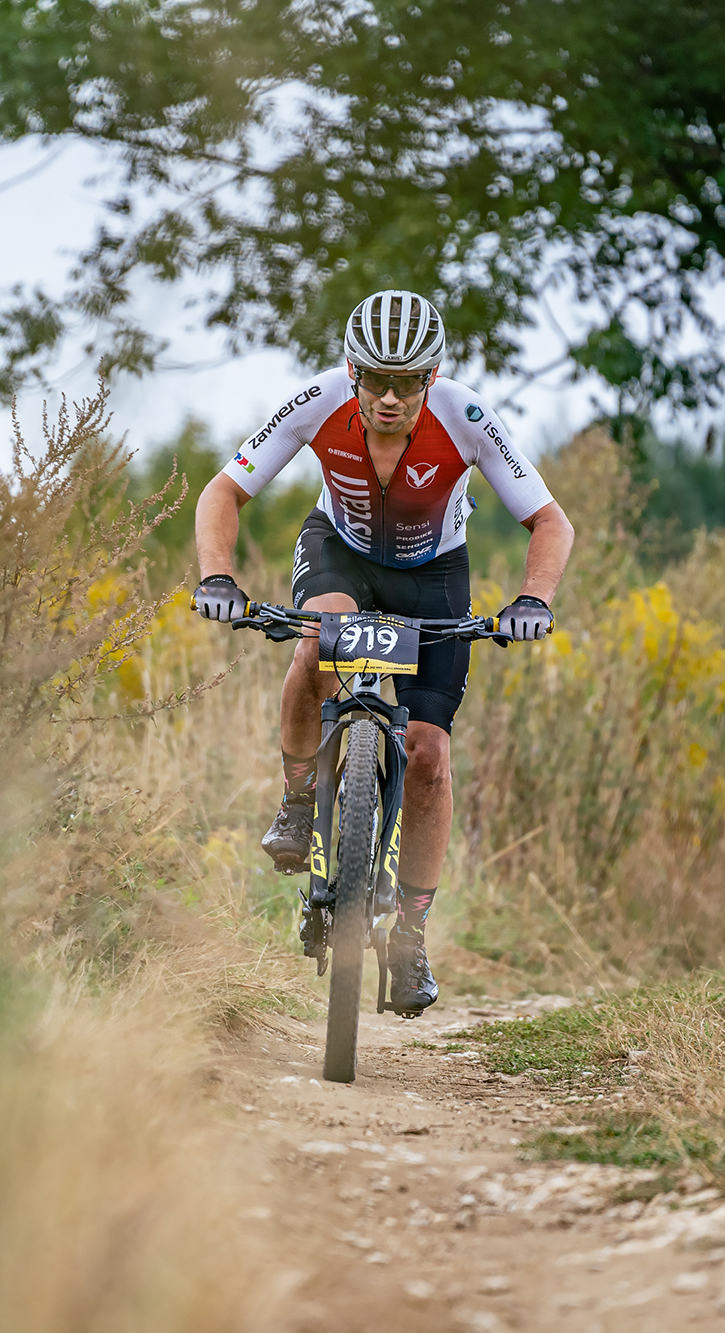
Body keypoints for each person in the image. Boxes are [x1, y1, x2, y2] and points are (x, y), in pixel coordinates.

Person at [191, 290, 575, 1014]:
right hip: (341, 554)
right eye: (375, 379)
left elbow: (551, 522)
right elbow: (223, 490)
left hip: (434, 576)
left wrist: (533, 600)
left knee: (428, 754)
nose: (390, 397)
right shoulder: (318, 401)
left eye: (407, 382)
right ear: (352, 371)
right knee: (316, 645)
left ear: (432, 376)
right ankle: (298, 804)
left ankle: (411, 936)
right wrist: (217, 576)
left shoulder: (465, 416)